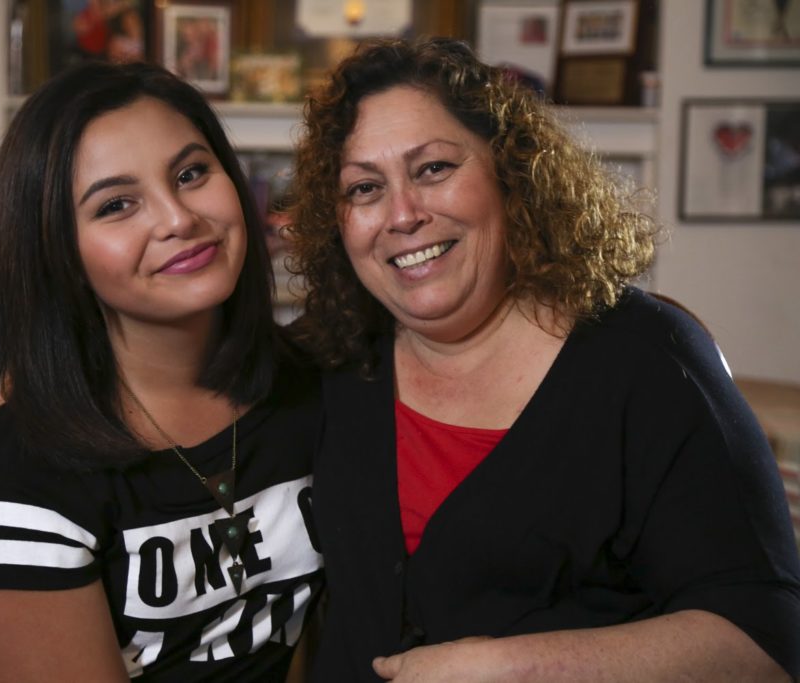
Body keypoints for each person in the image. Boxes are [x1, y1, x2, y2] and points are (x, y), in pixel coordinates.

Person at [287, 37, 800, 682]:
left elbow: (768, 642)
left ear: (510, 171)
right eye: (364, 187)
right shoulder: (331, 356)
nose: (403, 215)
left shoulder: (648, 362)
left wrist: (512, 669)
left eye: (434, 169)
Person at [0, 60, 323, 682]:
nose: (177, 218)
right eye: (116, 205)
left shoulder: (318, 386)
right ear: (60, 255)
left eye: (191, 173)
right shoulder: (16, 473)